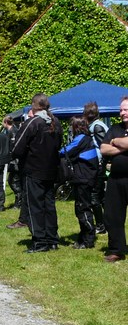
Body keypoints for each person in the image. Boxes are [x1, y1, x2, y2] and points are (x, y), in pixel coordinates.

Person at [11, 93, 63, 253]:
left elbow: (16, 148)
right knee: (49, 205)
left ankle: (40, 242)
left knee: (35, 206)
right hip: (51, 170)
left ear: (34, 106)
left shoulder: (33, 122)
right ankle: (52, 239)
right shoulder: (55, 122)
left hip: (33, 170)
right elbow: (59, 144)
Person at [60, 116, 98, 249]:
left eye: (71, 126)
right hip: (86, 177)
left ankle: (88, 240)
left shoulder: (81, 139)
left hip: (83, 178)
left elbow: (66, 151)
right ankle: (83, 237)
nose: (70, 128)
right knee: (81, 207)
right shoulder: (87, 138)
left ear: (76, 127)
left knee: (83, 208)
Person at [100, 95, 128, 262]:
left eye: (126, 110)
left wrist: (116, 141)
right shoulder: (115, 128)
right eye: (121, 110)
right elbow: (104, 149)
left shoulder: (115, 135)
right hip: (116, 179)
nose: (122, 113)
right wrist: (123, 147)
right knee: (112, 215)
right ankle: (117, 250)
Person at [83, 101, 108, 235]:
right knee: (101, 196)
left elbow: (104, 145)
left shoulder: (97, 127)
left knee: (94, 197)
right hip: (99, 165)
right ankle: (107, 223)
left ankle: (101, 225)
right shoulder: (97, 125)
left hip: (98, 166)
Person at [2, 116, 22, 208]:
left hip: (16, 161)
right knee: (13, 181)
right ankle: (19, 201)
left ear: (6, 122)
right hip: (14, 160)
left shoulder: (13, 132)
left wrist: (10, 157)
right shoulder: (11, 131)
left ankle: (19, 202)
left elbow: (14, 147)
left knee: (14, 181)